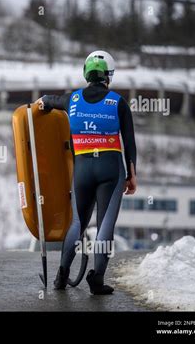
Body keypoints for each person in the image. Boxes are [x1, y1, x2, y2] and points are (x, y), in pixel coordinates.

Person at [35, 50, 137, 295]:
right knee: (105, 226)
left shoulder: (73, 100)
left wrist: (42, 103)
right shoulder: (117, 102)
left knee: (77, 224)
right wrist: (132, 175)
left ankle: (61, 276)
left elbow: (48, 101)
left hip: (82, 170)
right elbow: (130, 142)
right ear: (108, 76)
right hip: (110, 170)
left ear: (86, 73)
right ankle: (97, 279)